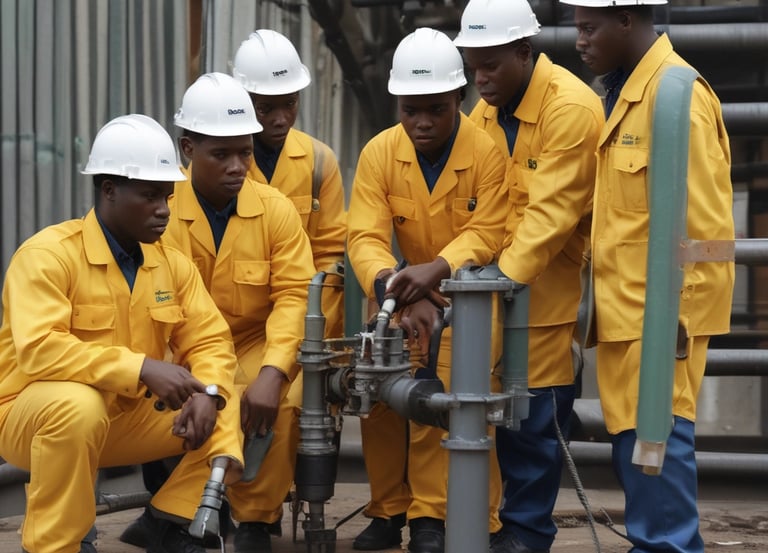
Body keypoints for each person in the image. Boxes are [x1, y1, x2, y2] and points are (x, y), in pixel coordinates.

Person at [0, 114, 244, 553]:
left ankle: (172, 520)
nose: (164, 210)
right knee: (77, 405)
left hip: (121, 417)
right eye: (151, 196)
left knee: (226, 396)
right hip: (30, 415)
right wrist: (142, 367)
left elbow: (210, 341)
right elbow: (39, 349)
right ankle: (57, 545)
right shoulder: (46, 256)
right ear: (108, 190)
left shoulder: (170, 264)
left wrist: (208, 393)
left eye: (168, 196)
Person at [558, 1, 735, 552]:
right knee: (636, 451)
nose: (580, 41)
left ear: (628, 20)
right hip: (624, 313)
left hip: (659, 318)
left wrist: (674, 327)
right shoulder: (625, 95)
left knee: (659, 443)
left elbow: (705, 228)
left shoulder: (677, 97)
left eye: (590, 28)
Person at [347, 27, 509, 553]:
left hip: (465, 298)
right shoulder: (378, 153)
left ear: (458, 100)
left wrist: (435, 271)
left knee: (443, 397)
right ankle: (388, 510)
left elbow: (488, 231)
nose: (420, 122)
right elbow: (365, 235)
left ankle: (432, 518)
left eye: (435, 110)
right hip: (396, 296)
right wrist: (399, 286)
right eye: (409, 109)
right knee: (378, 393)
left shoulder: (487, 152)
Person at [452, 1, 605, 552]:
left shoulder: (572, 110)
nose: (480, 79)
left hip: (546, 301)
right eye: (473, 67)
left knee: (534, 428)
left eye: (490, 65)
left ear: (524, 51)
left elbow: (550, 219)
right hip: (489, 298)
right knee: (483, 421)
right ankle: (491, 527)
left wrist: (485, 285)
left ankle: (526, 535)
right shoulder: (487, 115)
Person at [162, 72, 316, 553]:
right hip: (179, 351)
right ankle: (178, 510)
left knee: (284, 402)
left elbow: (294, 296)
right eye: (220, 154)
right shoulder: (159, 209)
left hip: (252, 344)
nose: (237, 167)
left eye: (245, 153)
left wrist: (274, 371)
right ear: (188, 148)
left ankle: (253, 521)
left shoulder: (275, 211)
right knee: (188, 404)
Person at [232, 29, 346, 339]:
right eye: (266, 108)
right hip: (235, 327)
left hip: (305, 320)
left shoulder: (319, 162)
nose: (281, 119)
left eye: (290, 104)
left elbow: (331, 256)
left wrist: (309, 324)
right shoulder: (222, 165)